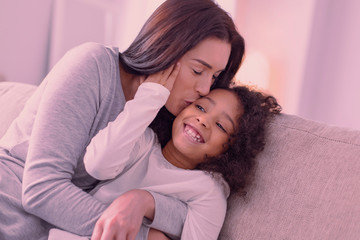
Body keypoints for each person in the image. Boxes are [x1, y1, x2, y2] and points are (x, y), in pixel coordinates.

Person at [0, 0, 245, 239]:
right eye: (198, 71)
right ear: (166, 49)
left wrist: (145, 202)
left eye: (214, 77)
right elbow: (41, 190)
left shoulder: (164, 118)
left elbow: (189, 211)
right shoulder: (93, 66)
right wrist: (145, 236)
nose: (205, 88)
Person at [48, 78, 281, 240]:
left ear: (230, 150)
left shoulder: (207, 190)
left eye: (221, 125)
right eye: (200, 107)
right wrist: (150, 97)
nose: (203, 120)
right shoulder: (142, 141)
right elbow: (97, 165)